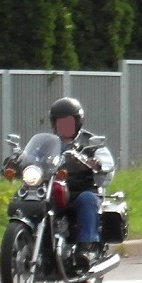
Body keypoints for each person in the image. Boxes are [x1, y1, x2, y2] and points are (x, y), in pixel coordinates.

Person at [48, 97, 115, 265]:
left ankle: (86, 247)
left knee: (87, 199)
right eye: (59, 121)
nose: (64, 126)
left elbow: (107, 165)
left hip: (79, 191)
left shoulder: (90, 143)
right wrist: (18, 162)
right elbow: (32, 157)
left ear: (78, 121)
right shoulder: (49, 143)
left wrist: (97, 164)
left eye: (68, 121)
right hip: (52, 191)